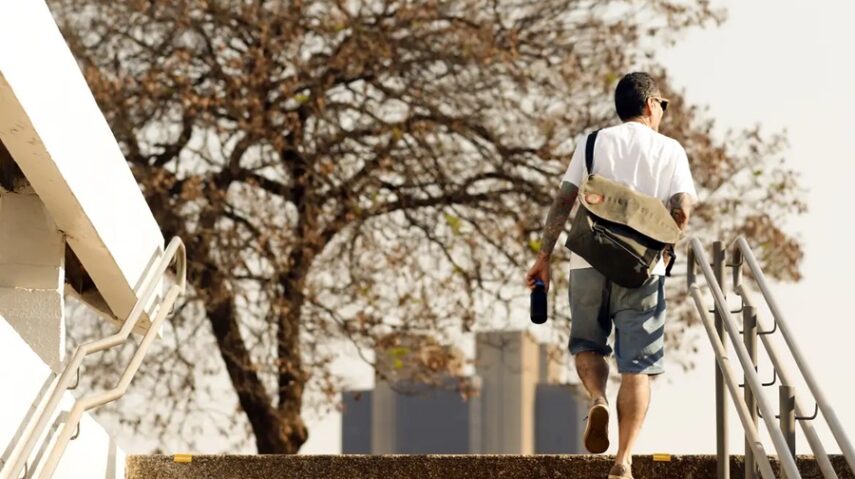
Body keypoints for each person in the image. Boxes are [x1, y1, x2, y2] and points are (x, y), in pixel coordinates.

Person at [525, 72, 697, 479]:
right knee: (637, 366)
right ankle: (623, 460)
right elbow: (683, 209)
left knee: (588, 344)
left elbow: (564, 200)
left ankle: (597, 398)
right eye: (662, 105)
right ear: (651, 104)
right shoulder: (670, 150)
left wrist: (543, 257)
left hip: (588, 261)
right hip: (642, 270)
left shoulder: (592, 142)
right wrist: (663, 246)